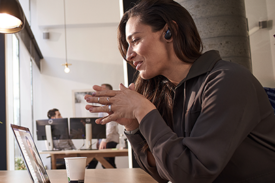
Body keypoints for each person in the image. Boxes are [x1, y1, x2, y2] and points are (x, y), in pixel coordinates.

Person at [84, 0, 275, 182]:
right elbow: (164, 173)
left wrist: (143, 110)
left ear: (170, 31)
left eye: (135, 40)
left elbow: (191, 174)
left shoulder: (228, 80)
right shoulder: (169, 91)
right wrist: (133, 126)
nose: (128, 55)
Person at [87, 84, 120, 169]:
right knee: (104, 163)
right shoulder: (102, 105)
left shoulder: (112, 105)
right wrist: (99, 139)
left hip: (110, 140)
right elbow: (101, 124)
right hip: (104, 139)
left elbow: (111, 125)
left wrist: (104, 140)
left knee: (108, 164)